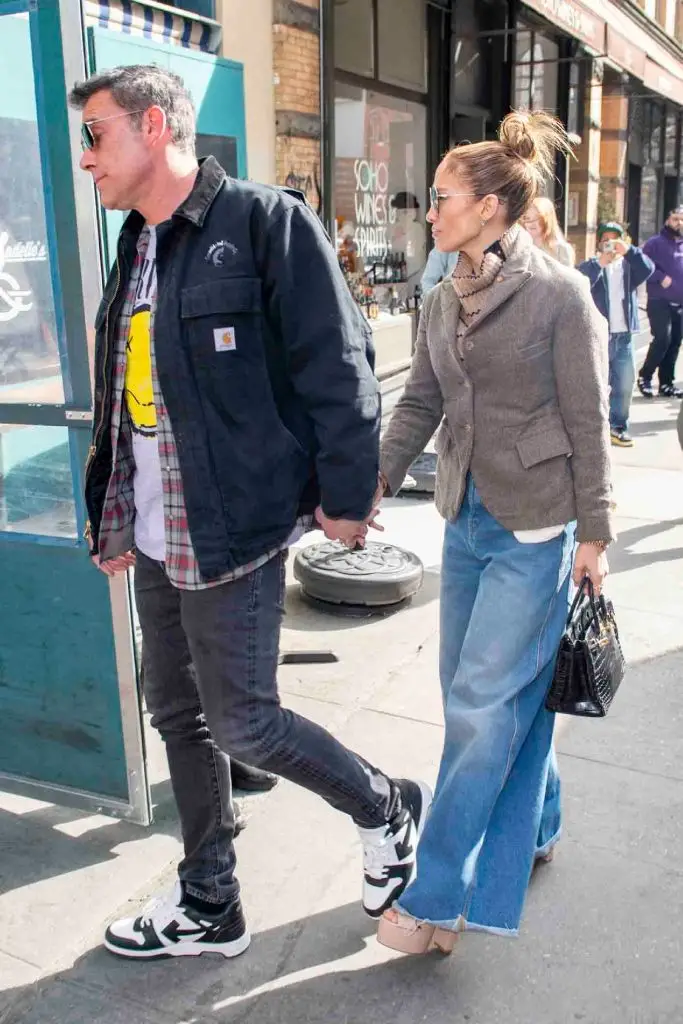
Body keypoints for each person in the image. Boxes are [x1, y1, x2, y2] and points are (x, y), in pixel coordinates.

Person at [70, 64, 430, 961]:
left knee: (245, 723)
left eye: (96, 133)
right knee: (176, 716)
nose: (86, 159)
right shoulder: (137, 244)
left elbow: (338, 368)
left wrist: (347, 501)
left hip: (235, 525)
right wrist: (111, 512)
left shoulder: (266, 223)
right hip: (156, 530)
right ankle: (208, 903)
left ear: (154, 126)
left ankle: (383, 805)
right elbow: (128, 395)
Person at [375, 110, 613, 955]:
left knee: (482, 708)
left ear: (487, 208)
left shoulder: (557, 293)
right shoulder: (442, 297)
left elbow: (588, 420)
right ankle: (538, 819)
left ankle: (436, 901)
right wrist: (371, 482)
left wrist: (595, 531)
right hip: (464, 521)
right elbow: (420, 402)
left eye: (441, 198)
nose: (428, 211)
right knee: (477, 700)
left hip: (535, 529)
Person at [578, 222, 654, 448]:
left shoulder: (628, 266)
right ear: (599, 242)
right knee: (596, 385)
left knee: (624, 384)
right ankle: (595, 430)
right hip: (599, 336)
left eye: (615, 239)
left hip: (624, 337)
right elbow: (580, 283)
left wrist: (628, 251)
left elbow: (648, 268)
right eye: (606, 239)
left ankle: (618, 427)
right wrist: (600, 263)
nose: (610, 244)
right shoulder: (592, 265)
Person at [638, 208, 683, 399]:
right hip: (658, 300)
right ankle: (645, 377)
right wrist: (660, 277)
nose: (678, 223)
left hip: (679, 302)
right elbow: (642, 265)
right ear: (667, 220)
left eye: (682, 220)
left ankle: (666, 383)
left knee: (674, 342)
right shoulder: (654, 243)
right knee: (662, 339)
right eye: (675, 219)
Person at [521, 195, 575, 267]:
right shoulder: (520, 247)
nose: (531, 222)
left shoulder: (562, 250)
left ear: (548, 219)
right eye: (527, 217)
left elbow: (568, 277)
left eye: (538, 218)